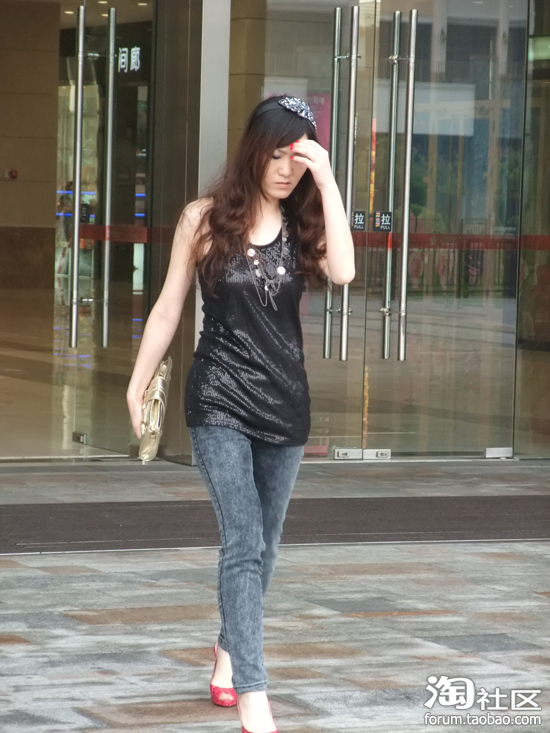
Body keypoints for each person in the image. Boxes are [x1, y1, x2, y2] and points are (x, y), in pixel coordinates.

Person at [127, 95, 355, 733]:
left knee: (266, 545)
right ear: (253, 150)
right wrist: (138, 383)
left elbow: (344, 271)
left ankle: (229, 650)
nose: (285, 170)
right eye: (276, 155)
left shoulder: (303, 222)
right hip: (219, 397)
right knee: (243, 539)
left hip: (285, 404)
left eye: (297, 159)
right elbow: (169, 307)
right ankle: (254, 692)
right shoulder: (203, 219)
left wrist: (328, 180)